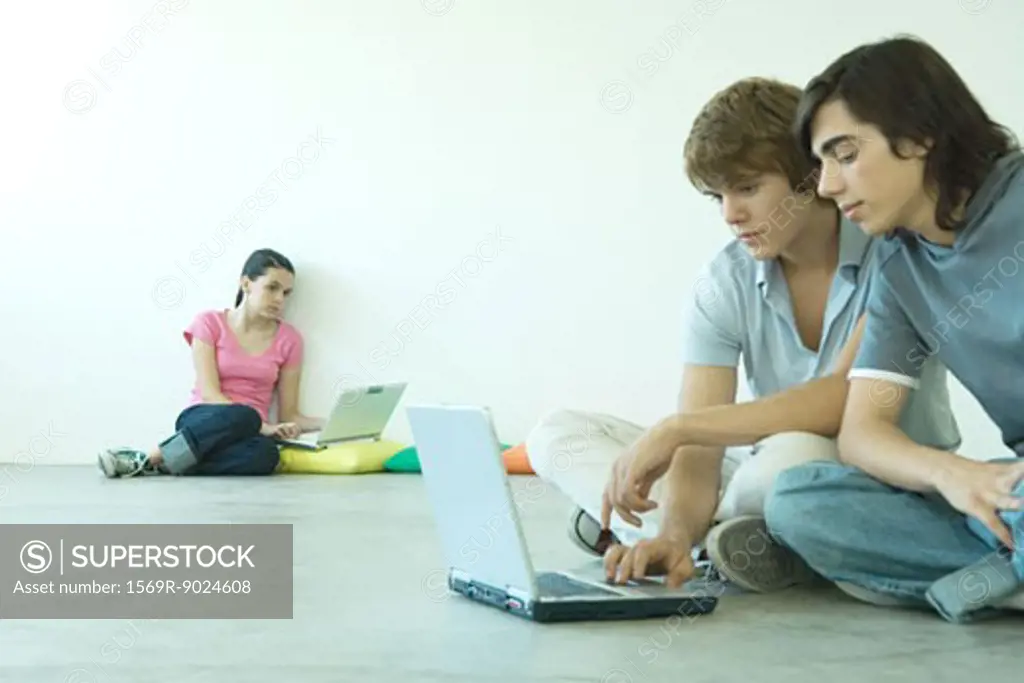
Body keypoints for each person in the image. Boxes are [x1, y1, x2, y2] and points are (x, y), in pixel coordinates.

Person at [524, 77, 960, 593]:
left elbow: (841, 401)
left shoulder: (891, 254)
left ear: (809, 175)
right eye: (718, 196)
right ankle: (715, 541)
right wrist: (676, 530)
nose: (731, 214)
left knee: (790, 461)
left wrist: (678, 429)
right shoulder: (724, 281)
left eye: (748, 188)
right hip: (763, 467)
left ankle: (662, 529)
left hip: (872, 476)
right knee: (556, 435)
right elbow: (701, 441)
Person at [764, 34, 1024, 623]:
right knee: (798, 501)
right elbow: (861, 433)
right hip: (1015, 490)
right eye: (821, 163)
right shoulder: (899, 266)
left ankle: (993, 575)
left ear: (918, 136)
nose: (827, 185)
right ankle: (1006, 575)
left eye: (845, 153)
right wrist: (952, 473)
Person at [98, 248, 324, 478]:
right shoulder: (209, 323)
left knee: (266, 455)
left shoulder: (290, 339)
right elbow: (209, 393)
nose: (279, 299)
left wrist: (330, 424)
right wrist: (262, 426)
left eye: (286, 293)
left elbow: (289, 415)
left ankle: (171, 462)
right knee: (245, 415)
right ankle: (148, 457)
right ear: (246, 284)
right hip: (205, 418)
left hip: (249, 433)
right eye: (272, 287)